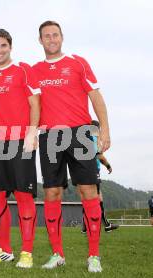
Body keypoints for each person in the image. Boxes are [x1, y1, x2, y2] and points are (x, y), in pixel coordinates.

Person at [33, 20, 111, 273]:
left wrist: (105, 131)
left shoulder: (78, 62)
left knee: (88, 191)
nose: (51, 39)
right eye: (46, 36)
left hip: (79, 133)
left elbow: (96, 97)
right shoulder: (34, 70)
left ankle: (94, 255)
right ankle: (57, 253)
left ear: (61, 37)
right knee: (52, 193)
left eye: (55, 35)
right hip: (50, 136)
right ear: (40, 40)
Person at [0, 29, 40, 268]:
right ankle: (5, 250)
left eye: (3, 46)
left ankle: (27, 252)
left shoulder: (23, 70)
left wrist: (32, 132)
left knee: (23, 195)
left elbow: (35, 102)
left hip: (21, 141)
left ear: (10, 47)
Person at [81, 120, 118, 233]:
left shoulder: (84, 139)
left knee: (88, 199)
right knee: (98, 199)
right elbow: (100, 156)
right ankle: (105, 225)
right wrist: (108, 166)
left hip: (83, 170)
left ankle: (85, 227)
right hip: (92, 171)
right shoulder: (94, 139)